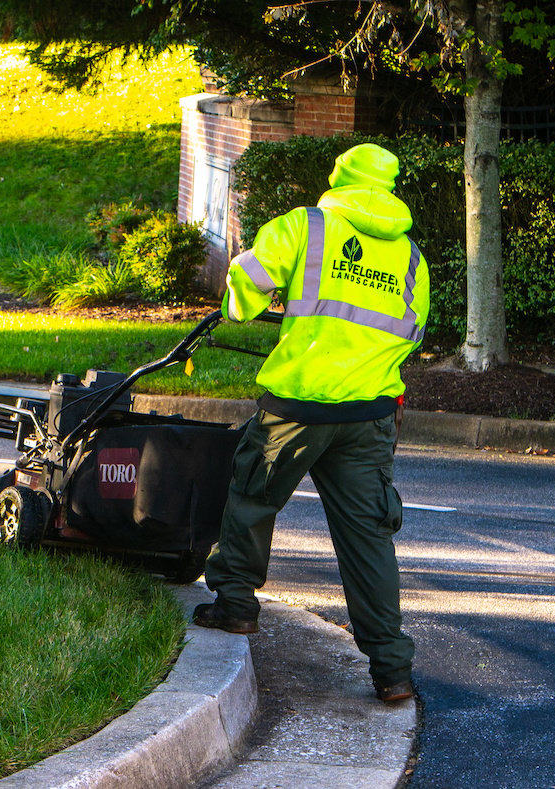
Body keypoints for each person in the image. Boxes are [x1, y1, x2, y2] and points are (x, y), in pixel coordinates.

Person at [193, 142, 429, 704]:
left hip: (297, 408)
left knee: (253, 499)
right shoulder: (411, 258)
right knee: (368, 537)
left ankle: (235, 606)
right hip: (369, 415)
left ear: (339, 177)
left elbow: (247, 278)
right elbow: (411, 333)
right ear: (390, 188)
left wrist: (238, 307)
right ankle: (392, 668)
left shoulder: (305, 226)